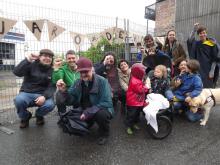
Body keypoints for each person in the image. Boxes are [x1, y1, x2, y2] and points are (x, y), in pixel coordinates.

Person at [57, 57, 113, 145]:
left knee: (101, 115)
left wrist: (88, 112)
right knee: (68, 120)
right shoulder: (77, 82)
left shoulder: (102, 81)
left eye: (86, 71)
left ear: (92, 69)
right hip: (84, 110)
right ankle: (89, 122)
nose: (83, 75)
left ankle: (104, 134)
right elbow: (70, 100)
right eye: (81, 72)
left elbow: (107, 102)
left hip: (100, 109)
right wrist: (64, 91)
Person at [13, 49, 56, 128]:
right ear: (39, 57)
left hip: (42, 94)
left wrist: (44, 96)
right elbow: (17, 72)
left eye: (50, 57)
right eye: (45, 56)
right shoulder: (31, 65)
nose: (48, 58)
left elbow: (52, 86)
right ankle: (25, 117)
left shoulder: (52, 70)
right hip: (27, 93)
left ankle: (39, 115)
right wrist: (27, 60)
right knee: (18, 100)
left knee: (50, 104)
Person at [187, 23, 220, 88]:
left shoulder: (212, 44)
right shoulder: (196, 43)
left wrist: (212, 71)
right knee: (198, 86)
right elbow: (190, 41)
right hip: (198, 68)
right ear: (198, 35)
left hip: (208, 68)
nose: (202, 35)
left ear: (206, 33)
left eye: (204, 33)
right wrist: (194, 30)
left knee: (208, 87)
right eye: (200, 33)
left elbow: (215, 58)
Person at [52, 50, 80, 115]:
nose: (71, 60)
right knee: (59, 94)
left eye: (73, 58)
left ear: (76, 58)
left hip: (79, 93)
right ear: (66, 60)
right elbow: (57, 79)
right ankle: (62, 115)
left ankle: (78, 113)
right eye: (69, 58)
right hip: (68, 93)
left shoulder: (81, 68)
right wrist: (56, 69)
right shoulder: (63, 69)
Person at [125, 63, 149, 135]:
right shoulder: (134, 81)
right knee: (131, 115)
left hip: (137, 101)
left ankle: (134, 123)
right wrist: (146, 87)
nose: (144, 73)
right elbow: (140, 90)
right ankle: (128, 126)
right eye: (143, 71)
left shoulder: (137, 79)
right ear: (138, 72)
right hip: (133, 102)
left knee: (137, 114)